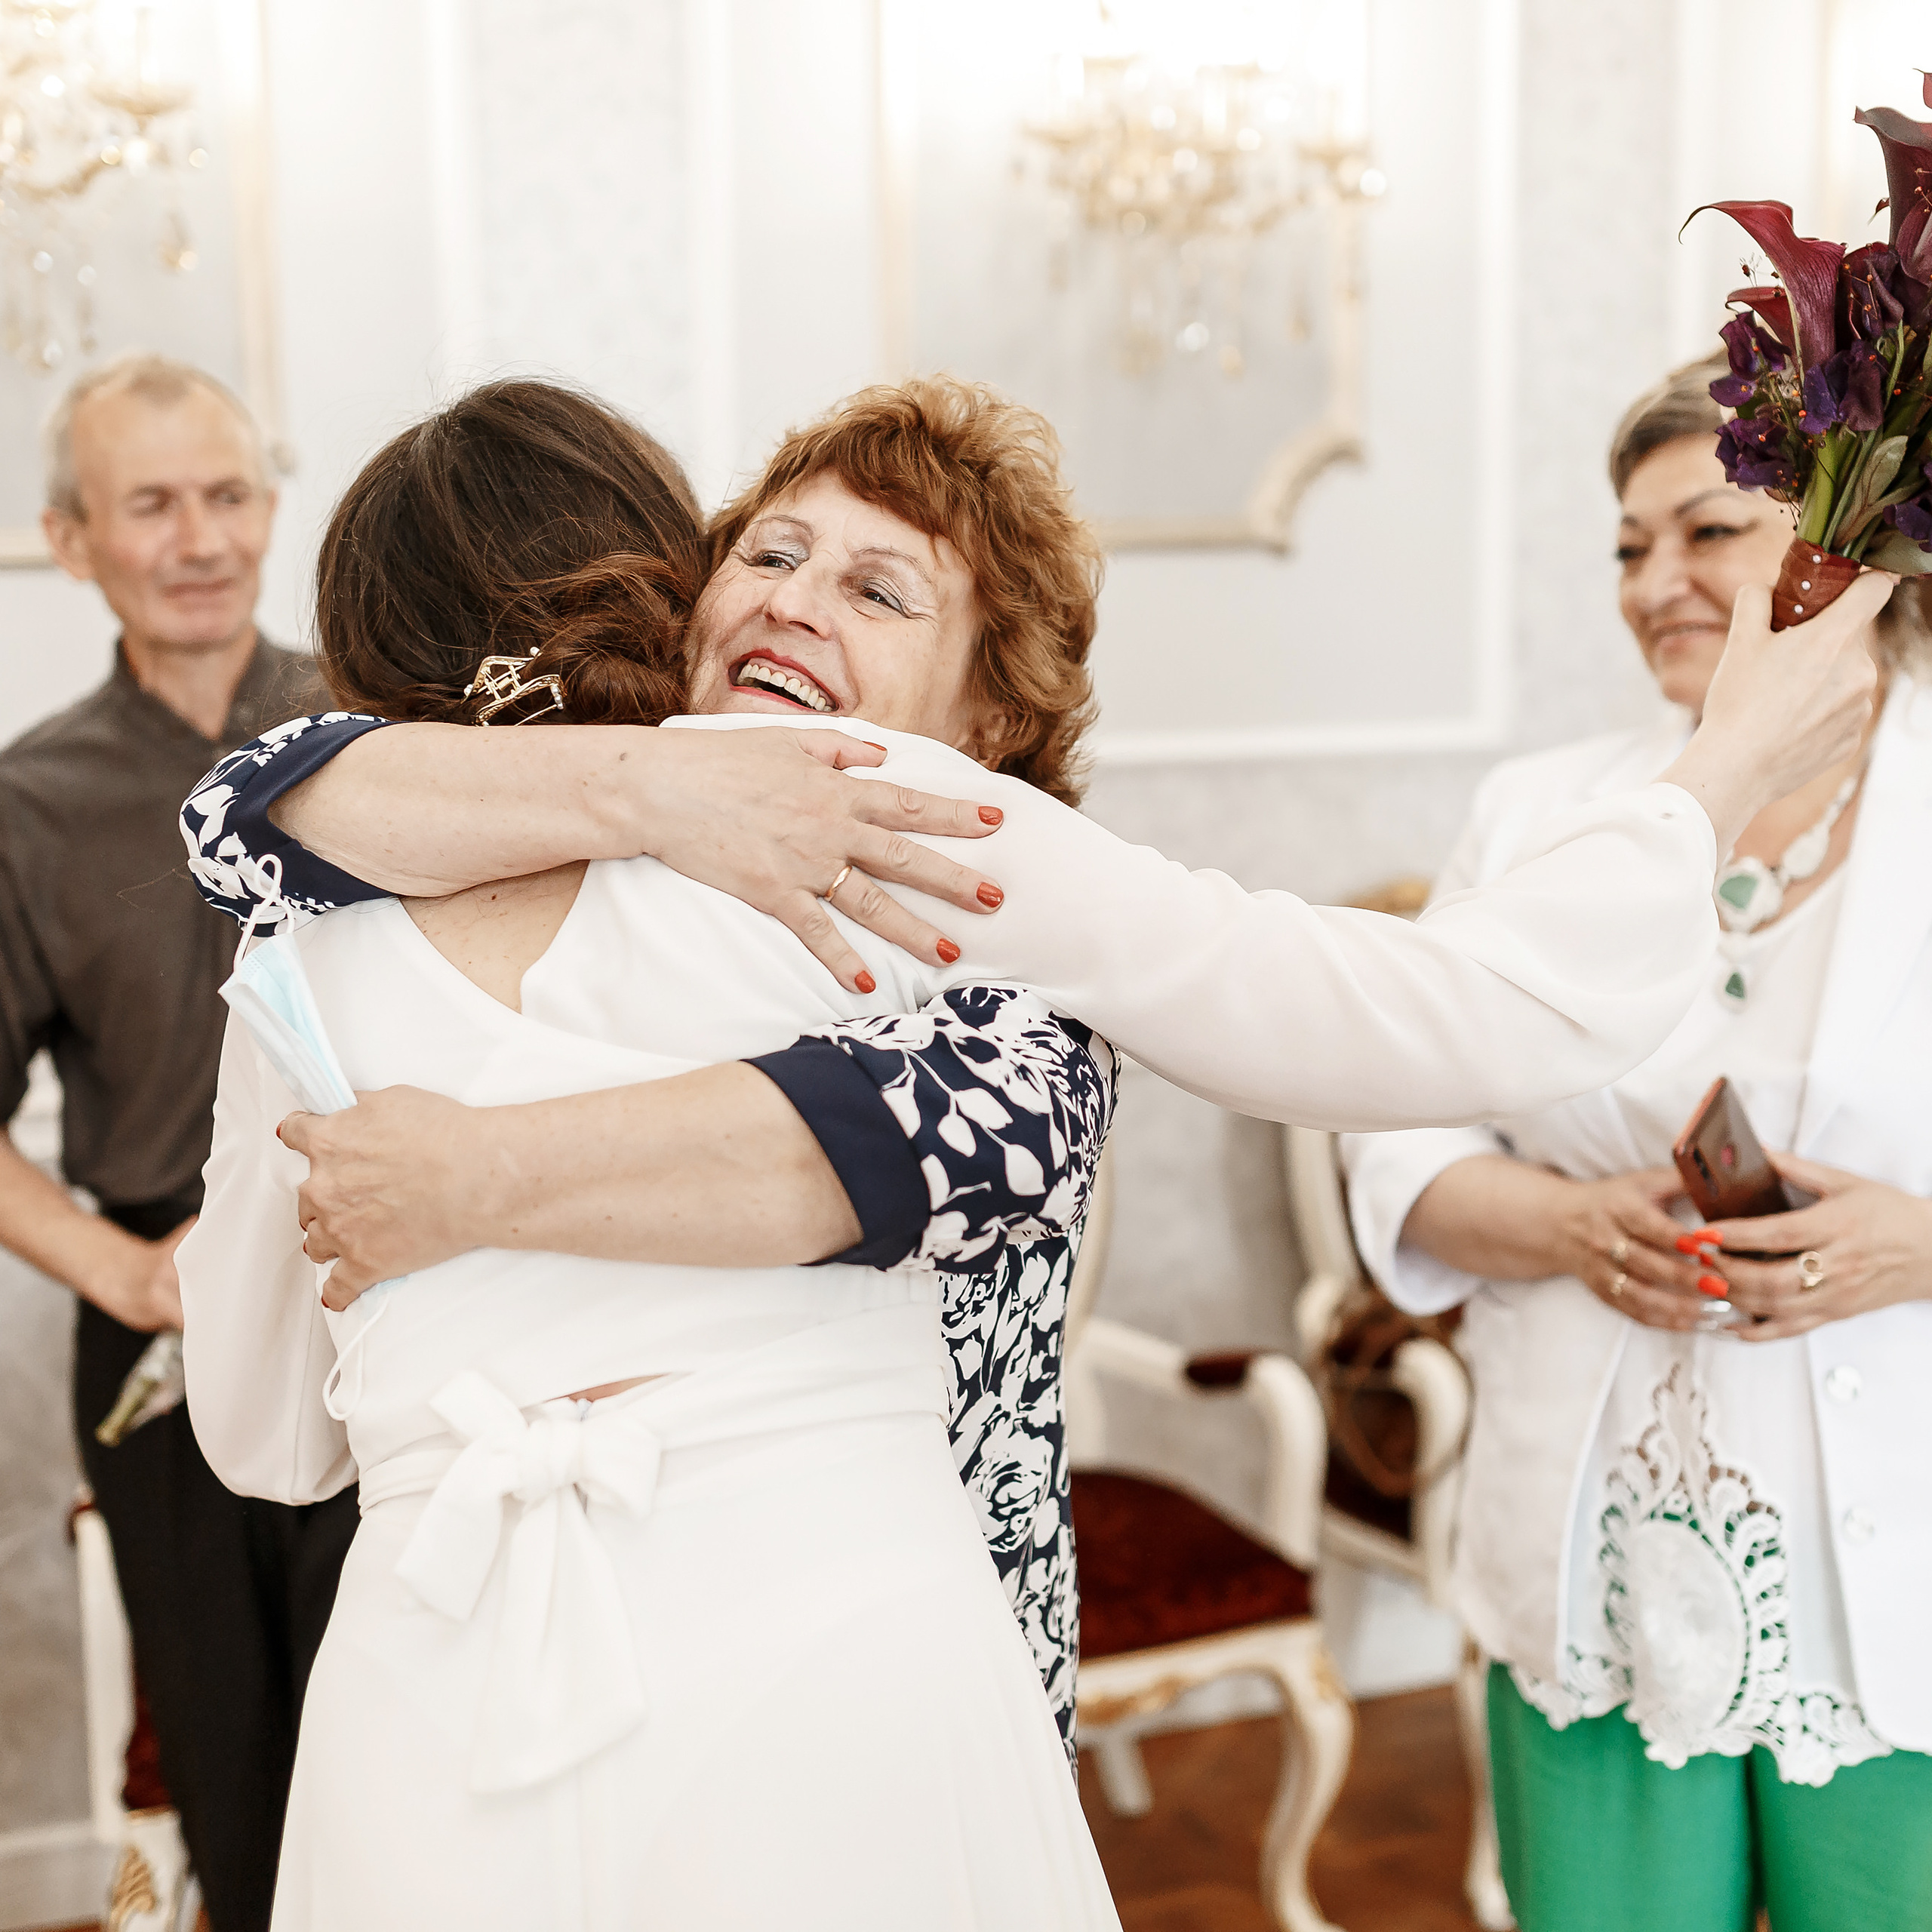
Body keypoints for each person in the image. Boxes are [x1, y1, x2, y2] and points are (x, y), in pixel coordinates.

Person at [177, 380, 1124, 1927]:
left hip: (450, 1668)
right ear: (671, 579)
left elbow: (269, 1437)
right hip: (845, 1644)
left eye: (878, 586)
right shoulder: (879, 900)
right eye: (770, 555)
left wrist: (464, 1188)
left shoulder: (300, 952)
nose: (799, 604)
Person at [1340, 358, 1932, 1932]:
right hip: (1600, 1540)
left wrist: (1914, 1240)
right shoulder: (1539, 815)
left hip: (1902, 1554)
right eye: (1622, 546)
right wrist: (1557, 1223)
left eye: (1703, 531)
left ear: (1851, 548)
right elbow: (1401, 1120)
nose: (1650, 583)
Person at [0, 353, 358, 1932]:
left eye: (226, 494)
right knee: (229, 1754)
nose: (199, 535)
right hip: (163, 1332)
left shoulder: (375, 729)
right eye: (150, 502)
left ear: (272, 509)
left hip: (380, 1290)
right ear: (71, 539)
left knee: (392, 1723)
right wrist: (126, 1273)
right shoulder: (30, 799)